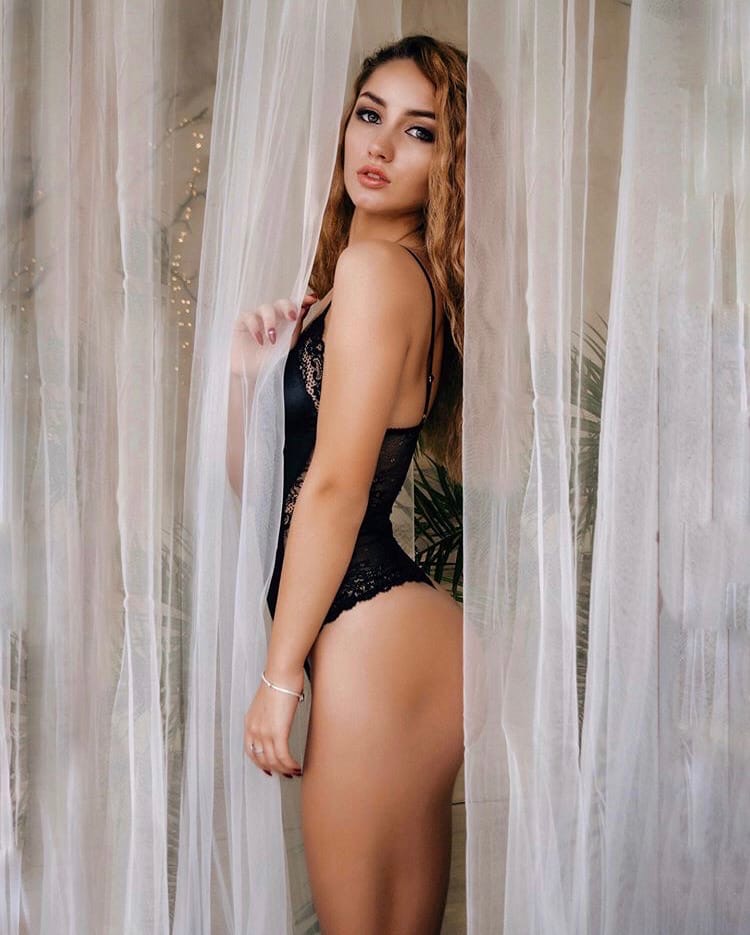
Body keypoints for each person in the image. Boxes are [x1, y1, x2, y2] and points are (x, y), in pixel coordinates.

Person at [233, 34, 466, 934]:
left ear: (449, 164)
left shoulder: (377, 274)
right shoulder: (355, 286)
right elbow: (267, 495)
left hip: (370, 637)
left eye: (420, 131)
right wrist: (248, 376)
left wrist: (280, 674)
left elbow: (333, 490)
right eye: (370, 114)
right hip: (396, 638)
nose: (380, 144)